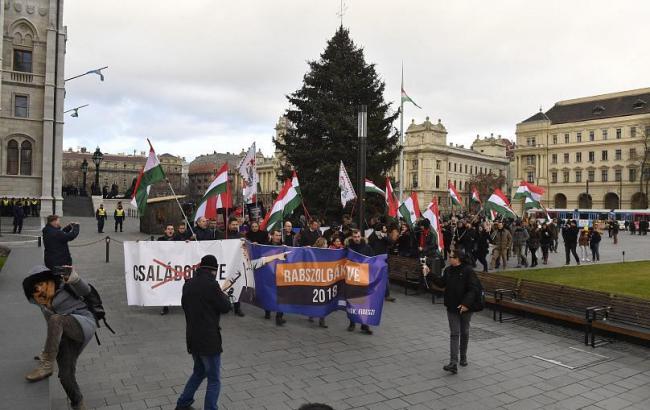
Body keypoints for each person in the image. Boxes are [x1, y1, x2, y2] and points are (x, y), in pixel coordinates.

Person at [22, 265, 97, 410]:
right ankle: (78, 403)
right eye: (35, 286)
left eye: (41, 282)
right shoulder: (42, 303)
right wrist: (47, 348)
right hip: (65, 333)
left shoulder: (64, 287)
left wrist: (73, 278)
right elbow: (51, 327)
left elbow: (86, 290)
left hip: (83, 323)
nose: (39, 288)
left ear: (49, 279)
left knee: (56, 319)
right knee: (65, 376)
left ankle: (47, 365)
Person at [175, 255, 231, 410]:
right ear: (214, 270)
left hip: (192, 336)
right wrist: (223, 294)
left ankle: (183, 403)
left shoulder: (188, 284)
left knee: (199, 371)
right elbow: (226, 307)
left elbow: (186, 305)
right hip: (209, 339)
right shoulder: (212, 285)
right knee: (214, 379)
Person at [423, 246, 479, 374]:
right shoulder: (448, 270)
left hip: (465, 307)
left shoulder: (468, 271)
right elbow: (442, 283)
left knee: (464, 331)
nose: (449, 259)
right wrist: (429, 273)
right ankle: (453, 362)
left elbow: (473, 289)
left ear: (458, 259)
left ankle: (463, 356)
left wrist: (465, 304)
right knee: (454, 333)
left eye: (451, 257)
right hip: (452, 306)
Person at [345, 229, 374, 335]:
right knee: (352, 301)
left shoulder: (367, 247)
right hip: (352, 277)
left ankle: (364, 324)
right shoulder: (348, 248)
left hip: (363, 277)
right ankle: (352, 323)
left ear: (360, 236)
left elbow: (372, 260)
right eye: (354, 237)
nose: (356, 238)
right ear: (352, 237)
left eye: (358, 236)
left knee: (364, 301)